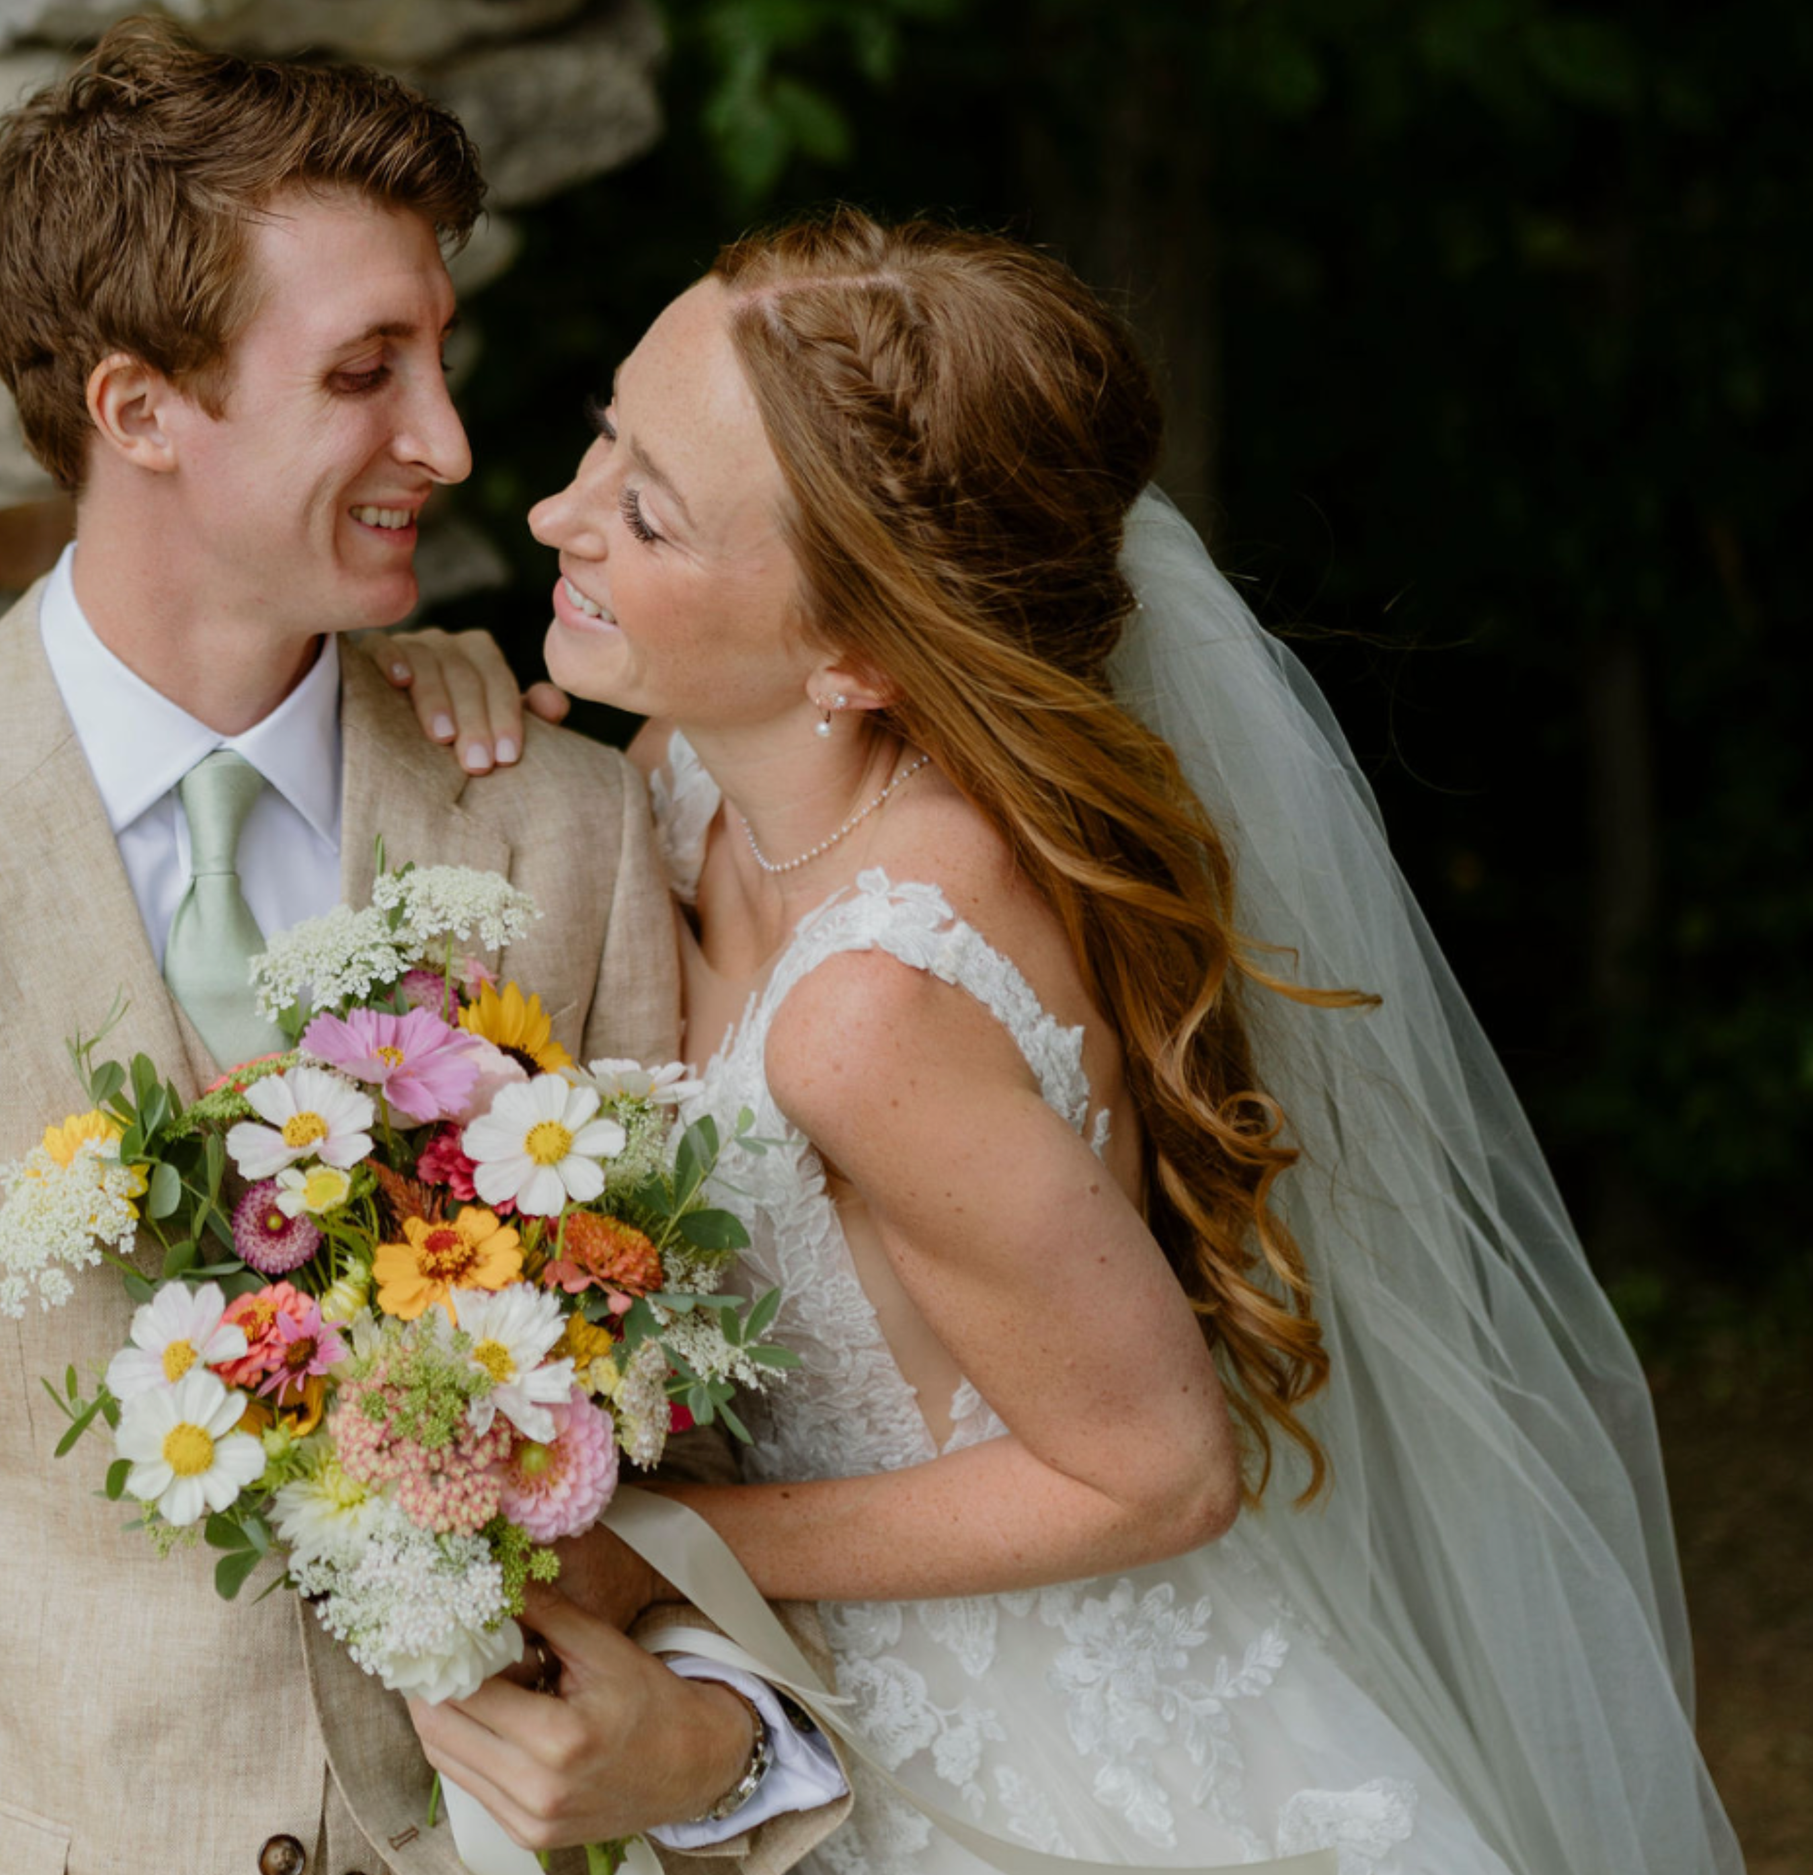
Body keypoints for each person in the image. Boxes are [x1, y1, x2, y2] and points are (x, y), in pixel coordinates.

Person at [0, 25, 848, 1874]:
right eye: (363, 371)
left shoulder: (565, 828)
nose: (449, 442)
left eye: (441, 354)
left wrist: (708, 1752)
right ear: (140, 409)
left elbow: (697, 1452)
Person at [376, 209, 1742, 1873]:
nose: (553, 511)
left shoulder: (875, 1005)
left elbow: (1158, 1475)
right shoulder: (684, 770)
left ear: (854, 654)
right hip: (824, 1710)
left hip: (1058, 1759)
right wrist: (433, 684)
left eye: (646, 511)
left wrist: (674, 1542)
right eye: (608, 432)